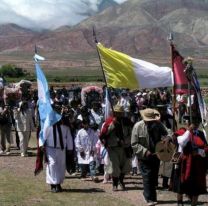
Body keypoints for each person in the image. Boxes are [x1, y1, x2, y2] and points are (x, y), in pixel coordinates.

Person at [131, 108, 171, 206]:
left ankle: (151, 196)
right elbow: (134, 143)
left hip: (156, 155)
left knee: (153, 177)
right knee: (147, 176)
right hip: (144, 157)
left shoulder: (158, 124)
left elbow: (168, 132)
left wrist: (168, 138)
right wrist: (144, 151)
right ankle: (149, 199)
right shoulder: (137, 126)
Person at [171, 118, 208, 206]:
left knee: (196, 185)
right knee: (181, 184)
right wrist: (189, 131)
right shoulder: (182, 132)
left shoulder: (201, 133)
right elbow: (182, 142)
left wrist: (198, 151)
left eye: (197, 122)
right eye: (193, 122)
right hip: (183, 162)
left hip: (197, 163)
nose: (195, 124)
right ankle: (180, 201)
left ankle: (194, 203)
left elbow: (206, 148)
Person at [100, 105, 131, 191]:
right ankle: (115, 184)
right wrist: (112, 125)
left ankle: (121, 181)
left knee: (125, 166)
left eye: (120, 113)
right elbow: (103, 134)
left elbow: (131, 133)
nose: (118, 114)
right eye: (116, 113)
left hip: (125, 147)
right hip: (113, 147)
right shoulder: (109, 121)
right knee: (115, 167)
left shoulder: (127, 121)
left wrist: (126, 141)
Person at [45, 116, 73, 193]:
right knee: (52, 164)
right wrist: (41, 145)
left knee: (61, 165)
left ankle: (58, 183)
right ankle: (52, 184)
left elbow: (69, 137)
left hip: (61, 149)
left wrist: (70, 148)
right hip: (50, 148)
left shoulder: (65, 127)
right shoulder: (48, 126)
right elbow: (43, 136)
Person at [75, 118, 99, 182]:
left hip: (90, 150)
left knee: (92, 163)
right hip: (82, 151)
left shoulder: (92, 132)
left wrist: (93, 149)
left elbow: (95, 141)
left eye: (87, 124)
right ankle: (83, 174)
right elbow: (77, 142)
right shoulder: (80, 132)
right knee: (83, 165)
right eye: (85, 124)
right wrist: (81, 150)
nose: (86, 125)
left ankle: (93, 176)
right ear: (83, 124)